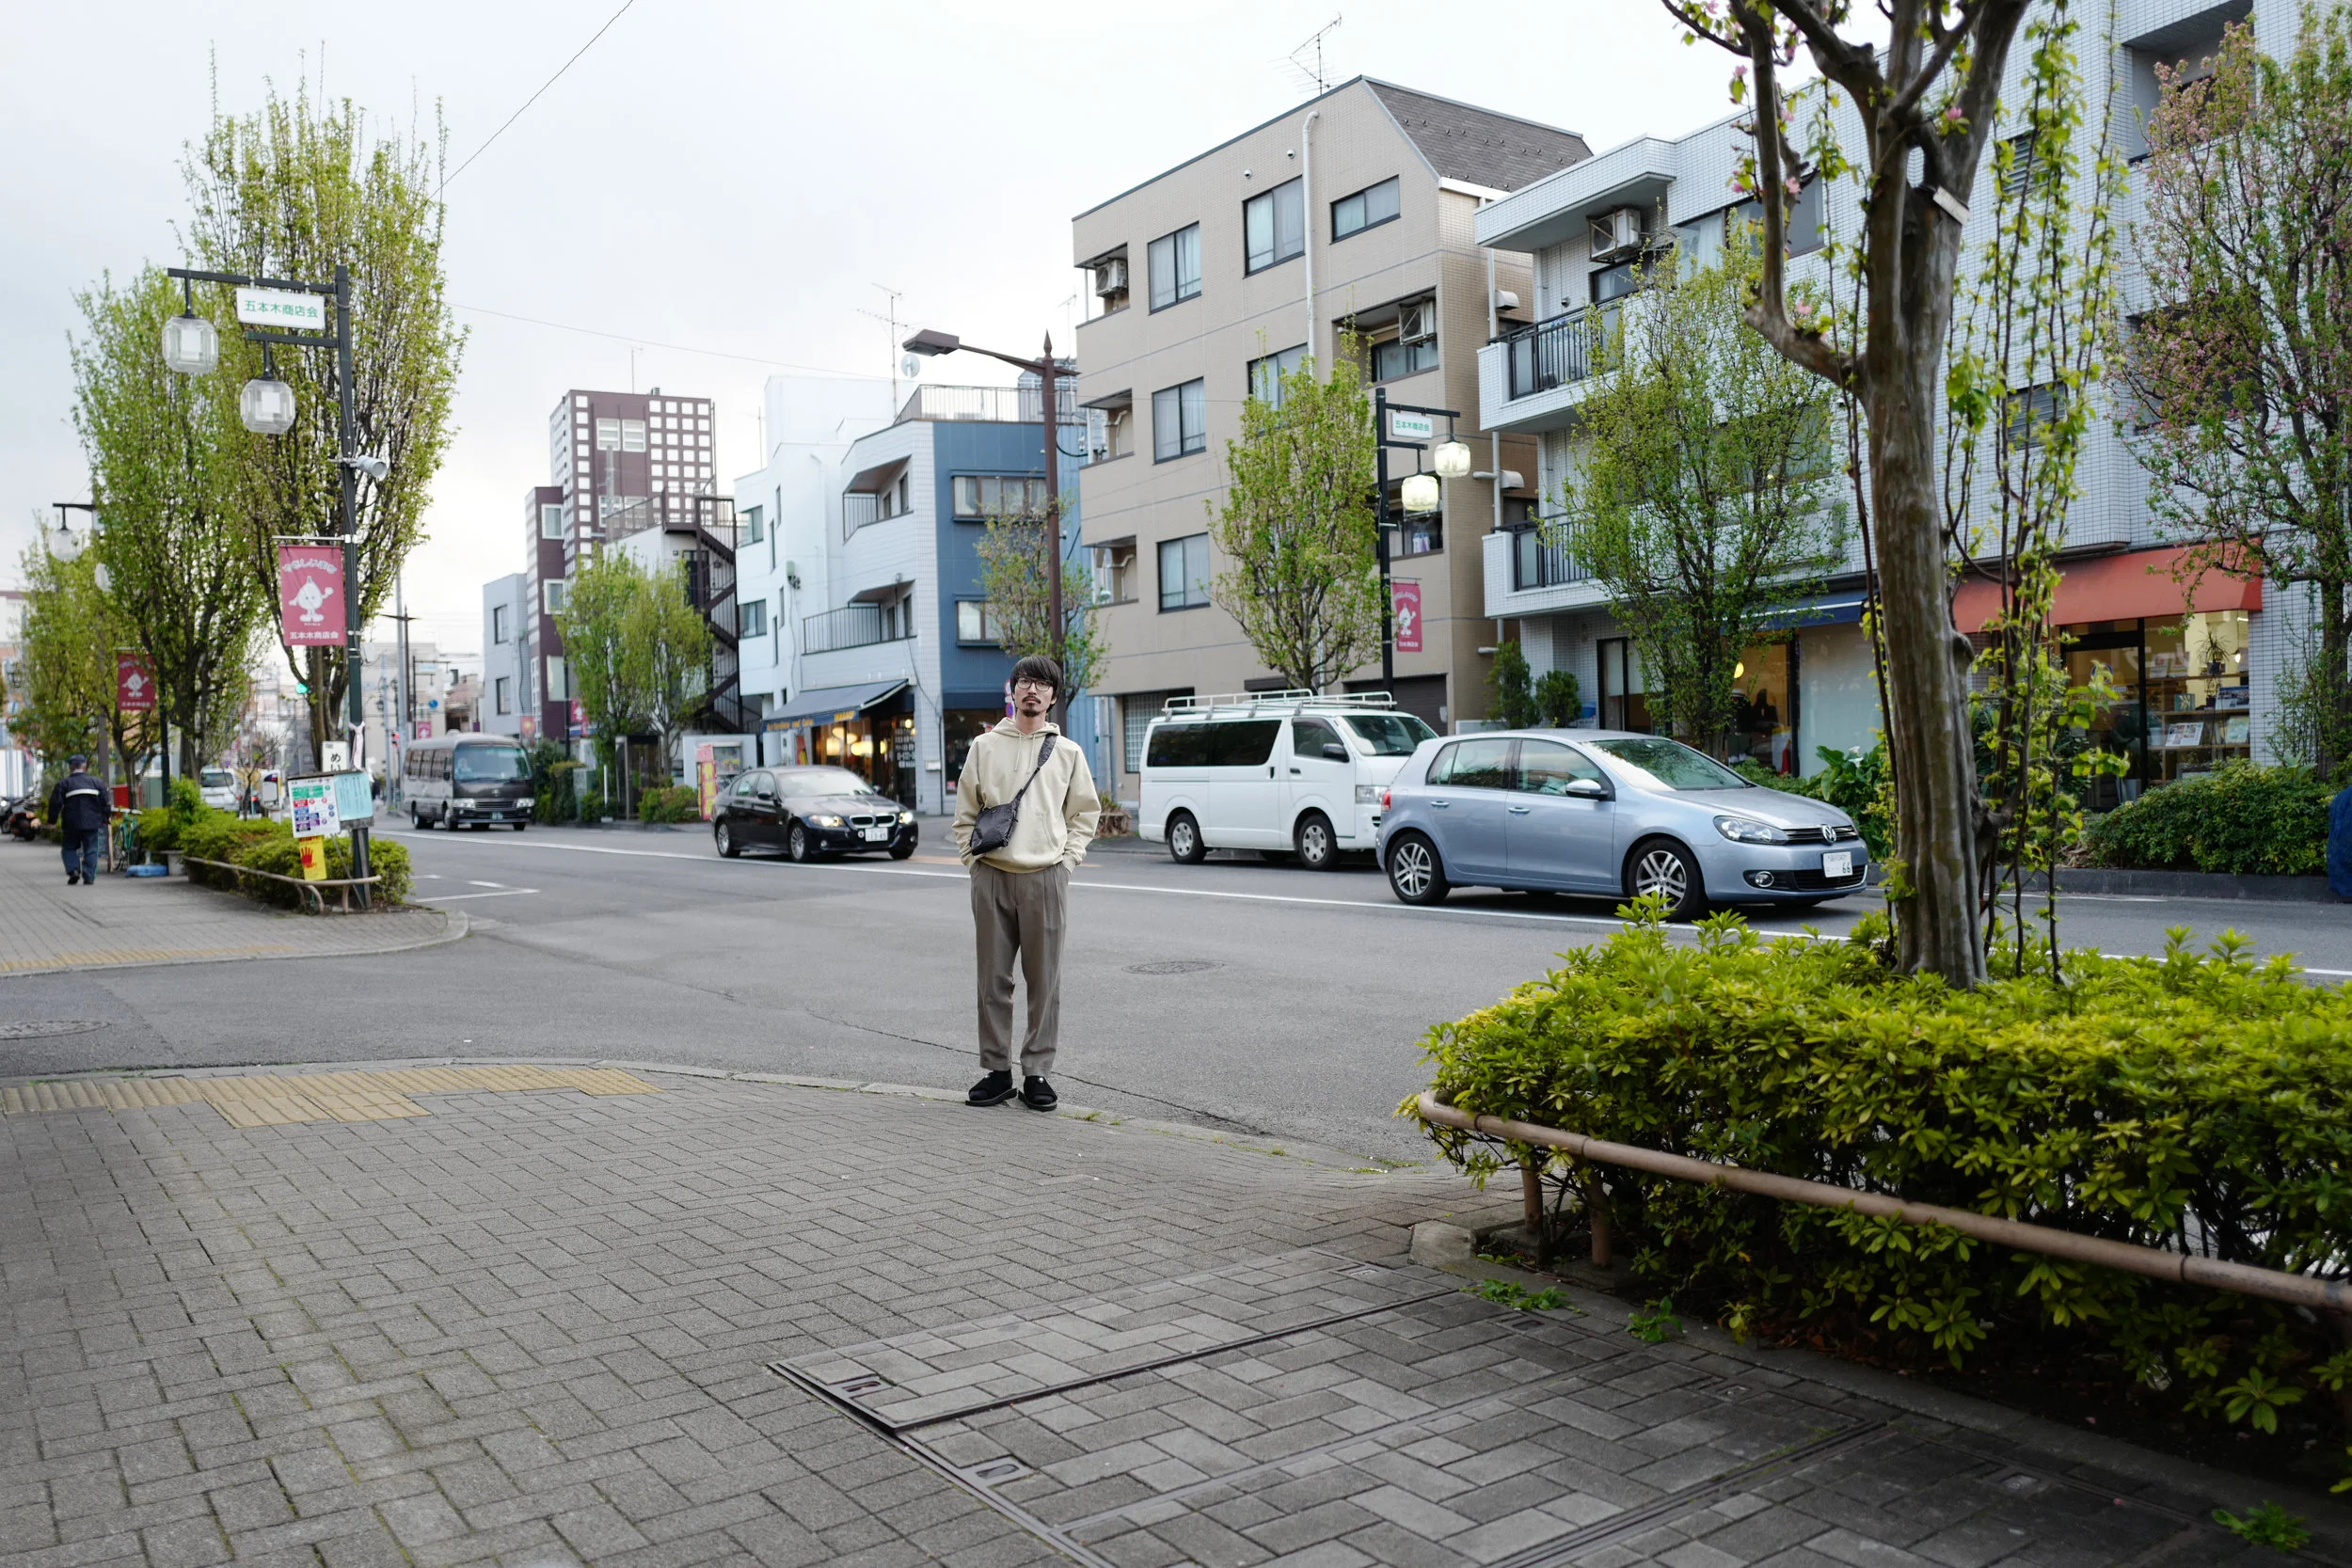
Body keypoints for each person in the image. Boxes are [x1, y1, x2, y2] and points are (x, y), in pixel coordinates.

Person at [952, 656, 1099, 1112]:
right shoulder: (984, 746)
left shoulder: (1068, 753)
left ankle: (1037, 1073)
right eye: (1024, 682)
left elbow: (1084, 814)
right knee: (992, 981)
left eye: (1042, 684)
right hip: (992, 875)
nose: (1032, 690)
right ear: (1011, 691)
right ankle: (997, 1072)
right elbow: (966, 814)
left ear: (1054, 697)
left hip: (1046, 877)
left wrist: (1067, 863)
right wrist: (973, 865)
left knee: (1044, 981)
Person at [50, 754, 109, 886]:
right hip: (92, 822)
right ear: (85, 766)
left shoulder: (64, 784)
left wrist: (52, 821)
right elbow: (105, 803)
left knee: (69, 848)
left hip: (71, 823)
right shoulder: (97, 782)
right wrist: (105, 818)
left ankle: (73, 871)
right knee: (91, 849)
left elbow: (55, 804)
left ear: (71, 767)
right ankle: (89, 877)